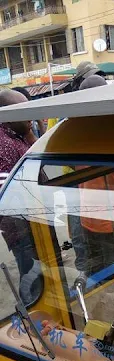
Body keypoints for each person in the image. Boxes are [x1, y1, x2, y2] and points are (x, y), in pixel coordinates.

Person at [0, 89, 41, 302]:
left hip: (31, 221)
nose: (30, 117)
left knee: (38, 272)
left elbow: (42, 158)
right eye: (23, 112)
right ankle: (29, 315)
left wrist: (32, 132)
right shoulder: (3, 144)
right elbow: (8, 194)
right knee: (31, 275)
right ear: (6, 116)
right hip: (20, 226)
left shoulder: (18, 135)